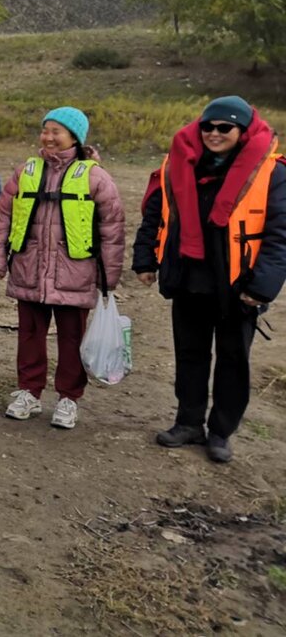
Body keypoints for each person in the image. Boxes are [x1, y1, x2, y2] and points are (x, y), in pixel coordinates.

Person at [132, 96, 286, 463]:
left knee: (234, 359)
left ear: (242, 131)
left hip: (238, 285)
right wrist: (145, 260)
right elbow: (154, 215)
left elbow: (281, 234)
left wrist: (260, 288)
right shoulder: (176, 164)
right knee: (190, 355)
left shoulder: (272, 172)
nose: (214, 134)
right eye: (208, 127)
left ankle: (220, 432)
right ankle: (188, 423)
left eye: (224, 128)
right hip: (188, 277)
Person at [0, 107, 124, 429]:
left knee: (72, 338)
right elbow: (3, 218)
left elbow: (113, 229)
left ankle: (68, 398)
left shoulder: (95, 177)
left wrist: (110, 277)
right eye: (45, 130)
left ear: (74, 137)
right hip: (28, 270)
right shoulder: (26, 171)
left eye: (56, 131)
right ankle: (28, 393)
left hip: (75, 275)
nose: (48, 137)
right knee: (30, 335)